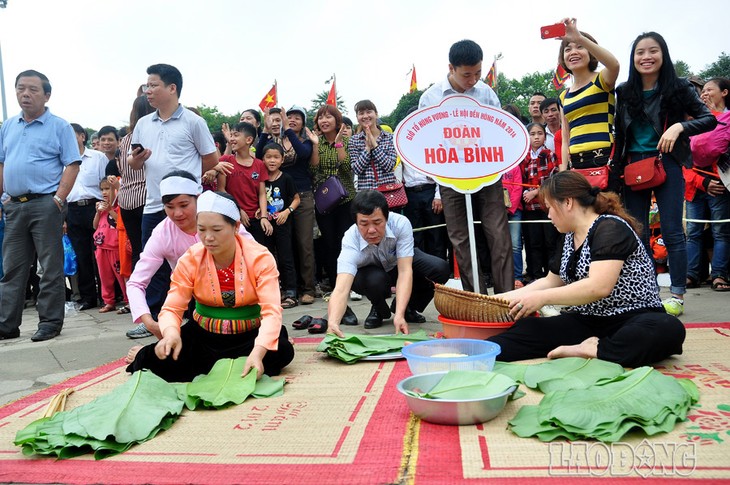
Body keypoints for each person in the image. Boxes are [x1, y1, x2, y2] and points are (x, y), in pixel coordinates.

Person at [488, 171, 686, 368]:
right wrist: (499, 300)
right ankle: (475, 352)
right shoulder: (568, 236)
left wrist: (543, 298)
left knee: (667, 329)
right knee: (527, 328)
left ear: (568, 202)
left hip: (633, 317)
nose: (548, 215)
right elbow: (550, 281)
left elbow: (598, 287)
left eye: (549, 208)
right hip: (588, 321)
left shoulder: (610, 227)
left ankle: (588, 350)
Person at [126, 190, 295, 382]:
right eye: (202, 229)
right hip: (205, 334)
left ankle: (267, 341)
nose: (208, 238)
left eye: (216, 230)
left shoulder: (260, 258)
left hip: (249, 333)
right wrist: (171, 333)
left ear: (236, 227)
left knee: (281, 353)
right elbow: (172, 307)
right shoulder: (191, 258)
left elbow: (271, 310)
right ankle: (147, 351)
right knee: (156, 362)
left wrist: (258, 352)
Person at [614, 32, 717, 317]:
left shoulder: (679, 87)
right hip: (633, 166)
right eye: (640, 52)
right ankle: (647, 292)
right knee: (638, 233)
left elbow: (709, 119)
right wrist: (616, 171)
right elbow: (620, 136)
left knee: (673, 231)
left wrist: (679, 128)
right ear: (633, 58)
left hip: (668, 163)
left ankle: (677, 296)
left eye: (653, 51)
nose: (646, 57)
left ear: (663, 55)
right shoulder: (624, 91)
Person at [419, 39, 513, 294]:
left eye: (478, 73)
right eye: (467, 74)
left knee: (498, 232)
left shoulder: (485, 93)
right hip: (450, 178)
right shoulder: (431, 98)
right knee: (460, 237)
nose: (473, 80)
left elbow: (499, 132)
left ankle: (506, 297)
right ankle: (477, 296)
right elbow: (425, 141)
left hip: (487, 173)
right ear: (451, 68)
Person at [128, 63, 220, 321]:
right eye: (147, 85)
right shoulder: (143, 124)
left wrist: (186, 181)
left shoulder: (194, 121)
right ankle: (156, 318)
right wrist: (138, 159)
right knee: (153, 265)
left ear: (172, 88)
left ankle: (200, 313)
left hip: (189, 205)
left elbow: (212, 159)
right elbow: (132, 163)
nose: (148, 90)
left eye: (153, 85)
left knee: (200, 258)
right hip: (154, 204)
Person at [0, 70, 81, 341]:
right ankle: (7, 325)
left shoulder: (59, 126)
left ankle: (49, 322)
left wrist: (58, 199)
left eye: (33, 89)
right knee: (12, 268)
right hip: (14, 206)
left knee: (49, 266)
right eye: (21, 88)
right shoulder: (8, 126)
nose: (26, 94)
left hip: (45, 204)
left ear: (46, 95)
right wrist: (3, 197)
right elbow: (2, 163)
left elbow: (72, 163)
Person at [125, 170, 253, 340]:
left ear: (198, 199)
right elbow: (136, 283)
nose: (177, 213)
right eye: (170, 207)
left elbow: (257, 258)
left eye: (184, 205)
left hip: (240, 292)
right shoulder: (162, 233)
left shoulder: (221, 219)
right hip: (197, 302)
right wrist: (150, 323)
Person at [325, 190, 450, 336]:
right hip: (370, 275)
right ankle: (378, 307)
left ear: (386, 217)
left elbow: (405, 271)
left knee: (440, 268)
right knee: (374, 280)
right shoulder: (350, 238)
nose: (371, 230)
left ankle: (408, 306)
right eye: (364, 224)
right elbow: (341, 288)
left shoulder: (400, 224)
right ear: (356, 222)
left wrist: (399, 314)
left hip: (399, 263)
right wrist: (332, 322)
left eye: (377, 222)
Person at [255, 106, 317, 305]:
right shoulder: (274, 143)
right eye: (287, 117)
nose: (290, 120)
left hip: (302, 196)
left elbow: (304, 154)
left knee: (304, 243)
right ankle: (290, 287)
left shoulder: (305, 141)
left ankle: (308, 287)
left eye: (296, 118)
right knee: (284, 247)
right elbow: (258, 157)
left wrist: (288, 129)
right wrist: (265, 129)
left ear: (303, 121)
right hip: (276, 200)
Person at [557, 18, 620, 185]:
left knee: (606, 209)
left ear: (591, 52)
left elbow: (614, 64)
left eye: (580, 47)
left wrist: (579, 37)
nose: (573, 52)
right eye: (567, 49)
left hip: (604, 158)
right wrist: (564, 172)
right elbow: (565, 137)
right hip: (576, 163)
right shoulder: (564, 96)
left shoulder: (602, 80)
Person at [684, 77, 730, 291]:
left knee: (720, 231)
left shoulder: (727, 119)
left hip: (720, 184)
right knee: (693, 232)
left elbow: (713, 147)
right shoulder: (691, 120)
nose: (704, 94)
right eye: (702, 92)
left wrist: (716, 116)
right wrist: (701, 181)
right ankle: (691, 275)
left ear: (724, 93)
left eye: (709, 90)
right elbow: (683, 158)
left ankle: (719, 275)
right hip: (694, 185)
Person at [310, 105, 357, 287]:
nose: (324, 121)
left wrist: (338, 144)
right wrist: (314, 146)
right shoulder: (317, 142)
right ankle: (334, 281)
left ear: (337, 121)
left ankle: (351, 282)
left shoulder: (347, 142)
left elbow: (347, 168)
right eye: (321, 118)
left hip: (346, 198)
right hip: (324, 200)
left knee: (346, 241)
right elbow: (313, 169)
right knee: (328, 243)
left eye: (328, 117)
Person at [65, 123, 107, 310]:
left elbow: (106, 184)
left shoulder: (98, 158)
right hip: (72, 210)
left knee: (100, 253)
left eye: (73, 135)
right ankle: (88, 297)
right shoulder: (62, 161)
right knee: (81, 255)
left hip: (95, 208)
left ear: (82, 136)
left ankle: (107, 295)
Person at [115, 95, 155, 269]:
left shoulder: (124, 140)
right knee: (153, 251)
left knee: (137, 252)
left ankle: (136, 293)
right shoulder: (150, 135)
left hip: (126, 200)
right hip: (147, 198)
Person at [261, 142, 300, 308]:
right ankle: (274, 291)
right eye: (268, 157)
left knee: (286, 258)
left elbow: (297, 198)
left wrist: (287, 211)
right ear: (262, 159)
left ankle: (291, 291)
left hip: (282, 224)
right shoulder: (261, 179)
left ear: (282, 159)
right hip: (266, 225)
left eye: (276, 157)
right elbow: (260, 198)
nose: (272, 160)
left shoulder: (286, 178)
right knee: (268, 258)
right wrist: (259, 211)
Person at [217, 121, 271, 244]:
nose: (232, 139)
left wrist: (264, 216)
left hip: (255, 218)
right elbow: (221, 189)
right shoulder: (226, 161)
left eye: (236, 135)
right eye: (231, 135)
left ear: (248, 140)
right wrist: (238, 210)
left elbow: (262, 193)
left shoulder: (259, 164)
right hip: (233, 218)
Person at [521, 123, 560, 282]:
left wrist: (536, 192)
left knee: (550, 241)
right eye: (532, 134)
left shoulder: (550, 154)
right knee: (533, 242)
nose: (536, 137)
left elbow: (553, 179)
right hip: (529, 207)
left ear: (545, 136)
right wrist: (526, 193)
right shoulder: (524, 157)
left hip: (546, 206)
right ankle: (535, 275)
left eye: (539, 133)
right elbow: (521, 179)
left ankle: (550, 276)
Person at [93, 179, 129, 313]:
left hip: (115, 247)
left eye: (107, 189)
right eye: (102, 189)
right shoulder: (101, 207)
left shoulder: (119, 207)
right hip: (101, 247)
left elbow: (120, 222)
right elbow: (94, 226)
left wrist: (109, 210)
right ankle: (108, 301)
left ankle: (128, 300)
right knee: (104, 276)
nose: (104, 192)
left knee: (121, 275)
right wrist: (98, 212)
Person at [348, 100, 397, 191]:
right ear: (357, 117)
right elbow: (356, 170)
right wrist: (367, 149)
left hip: (388, 193)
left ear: (376, 114)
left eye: (369, 112)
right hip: (366, 195)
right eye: (361, 113)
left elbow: (389, 166)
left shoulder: (390, 138)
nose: (365, 116)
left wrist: (374, 145)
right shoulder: (354, 140)